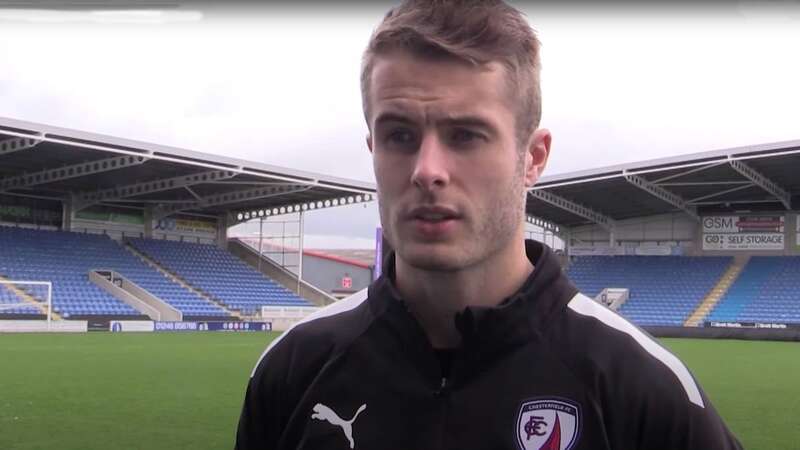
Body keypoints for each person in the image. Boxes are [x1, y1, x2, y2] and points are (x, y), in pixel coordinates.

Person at [236, 1, 743, 449]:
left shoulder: (643, 389)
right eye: (398, 135)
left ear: (533, 157)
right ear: (372, 149)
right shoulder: (293, 369)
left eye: (466, 135)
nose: (426, 170)